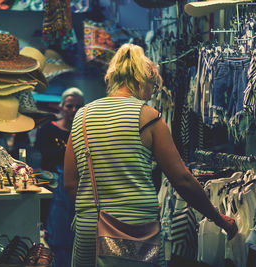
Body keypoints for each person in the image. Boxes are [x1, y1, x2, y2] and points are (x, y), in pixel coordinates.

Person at [64, 43, 238, 266]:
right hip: (136, 231)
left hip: (90, 227)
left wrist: (96, 209)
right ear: (142, 80)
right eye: (153, 86)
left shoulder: (81, 116)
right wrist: (218, 218)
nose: (151, 93)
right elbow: (182, 180)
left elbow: (70, 183)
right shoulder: (148, 117)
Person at [36, 87, 84, 267]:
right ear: (62, 107)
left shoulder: (84, 132)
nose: (73, 111)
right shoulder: (48, 129)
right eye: (70, 106)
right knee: (58, 231)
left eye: (78, 107)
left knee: (78, 232)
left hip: (79, 186)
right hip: (56, 187)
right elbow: (43, 158)